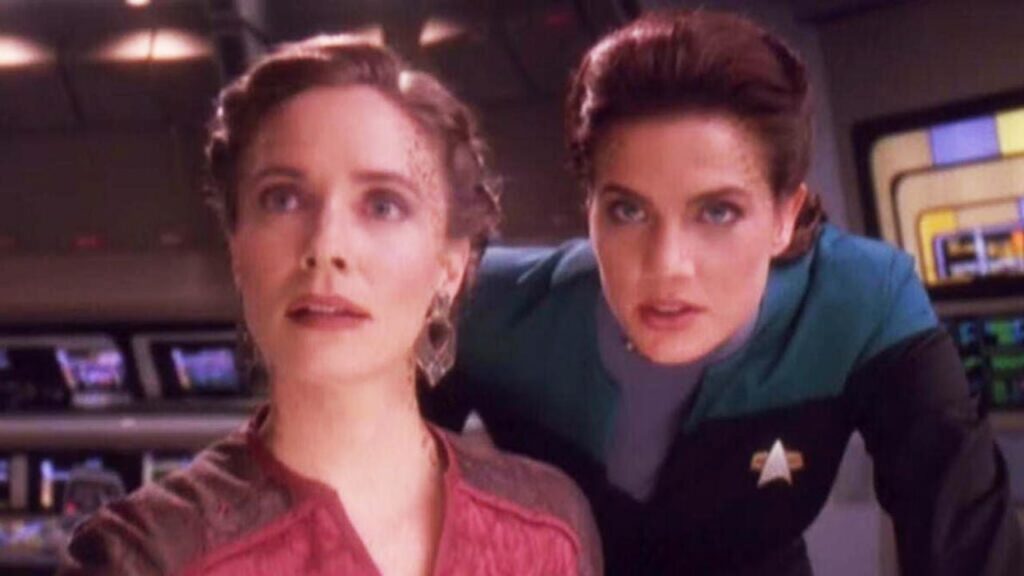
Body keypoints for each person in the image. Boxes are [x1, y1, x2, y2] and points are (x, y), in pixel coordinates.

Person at [425, 9, 1023, 575]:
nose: (668, 265)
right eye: (628, 210)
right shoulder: (480, 303)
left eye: (717, 212)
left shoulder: (865, 302)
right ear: (590, 209)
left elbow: (969, 547)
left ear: (785, 216)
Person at [60, 36, 601, 576]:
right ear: (236, 247)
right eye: (283, 199)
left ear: (450, 265)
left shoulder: (550, 528)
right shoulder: (147, 554)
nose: (325, 246)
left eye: (383, 205)